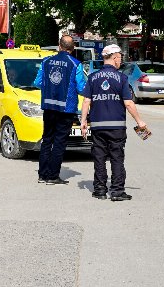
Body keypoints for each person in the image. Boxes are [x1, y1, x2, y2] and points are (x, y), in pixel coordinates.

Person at [80, 44, 147, 201]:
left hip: (97, 126)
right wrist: (139, 121)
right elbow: (129, 103)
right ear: (115, 58)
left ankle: (100, 190)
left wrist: (83, 121)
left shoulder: (92, 78)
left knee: (99, 157)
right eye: (120, 58)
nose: (120, 61)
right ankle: (117, 191)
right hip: (116, 126)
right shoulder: (122, 78)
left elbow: (86, 101)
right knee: (117, 157)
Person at [34, 35, 87, 185]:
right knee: (59, 142)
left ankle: (42, 175)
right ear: (73, 48)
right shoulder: (76, 64)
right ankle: (52, 176)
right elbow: (81, 87)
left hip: (49, 107)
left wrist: (51, 88)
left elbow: (37, 82)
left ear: (59, 46)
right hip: (66, 109)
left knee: (47, 140)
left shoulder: (46, 61)